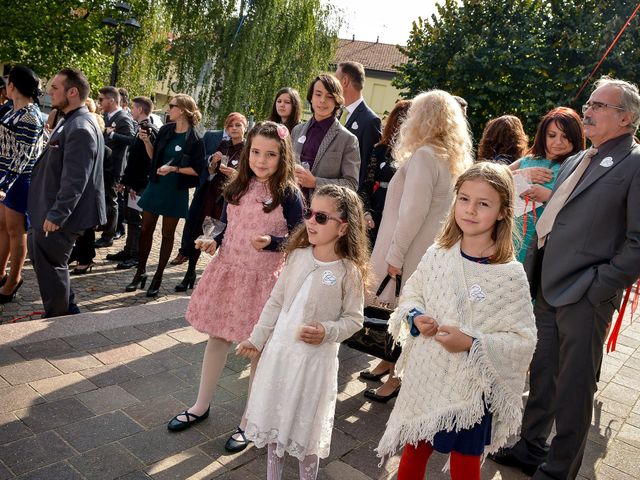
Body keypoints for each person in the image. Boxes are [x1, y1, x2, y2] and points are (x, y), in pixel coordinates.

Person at [490, 77, 640, 479]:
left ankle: (558, 470)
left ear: (625, 118)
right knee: (543, 374)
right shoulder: (578, 159)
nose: (587, 111)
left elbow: (638, 242)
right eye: (588, 103)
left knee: (574, 389)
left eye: (599, 106)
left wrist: (598, 286)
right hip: (547, 286)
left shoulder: (634, 163)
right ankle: (530, 446)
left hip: (585, 294)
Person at [377, 162, 537, 480]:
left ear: (504, 211)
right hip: (428, 377)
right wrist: (416, 317)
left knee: (465, 467)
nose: (470, 210)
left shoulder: (509, 275)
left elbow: (522, 339)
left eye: (483, 203)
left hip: (471, 391)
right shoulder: (438, 255)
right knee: (412, 453)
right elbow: (412, 295)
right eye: (464, 199)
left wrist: (473, 343)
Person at [166, 122, 305, 456]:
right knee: (217, 337)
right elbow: (228, 226)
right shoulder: (238, 185)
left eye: (270, 154)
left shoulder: (288, 194)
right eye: (256, 152)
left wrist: (273, 242)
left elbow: (300, 240)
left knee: (255, 348)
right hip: (229, 273)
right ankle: (201, 405)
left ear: (282, 156)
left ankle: (249, 421)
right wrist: (213, 241)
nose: (261, 159)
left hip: (262, 282)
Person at [237, 184, 369, 480]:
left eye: (322, 218)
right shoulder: (297, 256)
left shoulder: (348, 271)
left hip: (313, 364)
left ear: (343, 227)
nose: (310, 221)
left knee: (305, 429)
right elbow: (276, 301)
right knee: (276, 419)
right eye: (310, 213)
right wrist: (257, 338)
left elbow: (354, 319)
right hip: (281, 354)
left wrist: (327, 330)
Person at [361, 90, 473, 402]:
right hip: (426, 249)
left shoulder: (425, 155)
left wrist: (394, 256)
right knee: (407, 312)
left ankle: (397, 378)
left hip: (409, 251)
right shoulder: (447, 156)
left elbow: (412, 212)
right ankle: (388, 362)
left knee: (405, 311)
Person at [27, 67, 106, 318]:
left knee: (52, 269)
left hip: (60, 216)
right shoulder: (70, 120)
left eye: (54, 88)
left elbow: (76, 179)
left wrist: (58, 214)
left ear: (72, 92)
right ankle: (67, 310)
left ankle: (59, 320)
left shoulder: (81, 126)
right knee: (49, 265)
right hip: (50, 209)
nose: (49, 92)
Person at [125, 94, 206, 297]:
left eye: (172, 106)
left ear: (183, 110)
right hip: (156, 186)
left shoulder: (195, 138)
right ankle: (140, 272)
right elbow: (155, 159)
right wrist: (146, 143)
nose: (168, 109)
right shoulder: (166, 130)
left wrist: (174, 169)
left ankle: (158, 276)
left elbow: (198, 170)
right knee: (145, 230)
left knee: (167, 235)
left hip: (175, 191)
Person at [172, 112, 247, 290]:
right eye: (231, 125)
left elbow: (249, 178)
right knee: (201, 231)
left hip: (233, 199)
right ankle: (190, 273)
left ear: (245, 127)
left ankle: (222, 281)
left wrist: (236, 175)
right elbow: (211, 172)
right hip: (213, 195)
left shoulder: (249, 150)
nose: (234, 129)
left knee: (227, 238)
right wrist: (213, 164)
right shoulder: (223, 145)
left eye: (238, 125)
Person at [510, 107, 585, 262]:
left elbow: (586, 205)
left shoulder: (580, 166)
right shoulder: (528, 160)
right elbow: (489, 178)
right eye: (552, 135)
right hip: (512, 238)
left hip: (548, 246)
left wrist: (550, 196)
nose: (558, 142)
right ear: (542, 135)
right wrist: (521, 174)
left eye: (566, 136)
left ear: (576, 137)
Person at [0, 65, 45, 302]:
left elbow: (23, 155)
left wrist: (4, 185)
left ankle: (13, 281)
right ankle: (1, 274)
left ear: (13, 86)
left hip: (18, 180)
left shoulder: (29, 114)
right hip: (8, 178)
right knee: (3, 228)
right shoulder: (13, 110)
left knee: (17, 232)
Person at [106, 96, 159, 270]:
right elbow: (133, 159)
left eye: (134, 108)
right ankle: (129, 250)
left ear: (140, 110)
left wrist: (135, 185)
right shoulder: (139, 128)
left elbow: (146, 161)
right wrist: (125, 181)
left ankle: (135, 254)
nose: (131, 111)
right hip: (134, 182)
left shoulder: (149, 129)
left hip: (140, 184)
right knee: (131, 218)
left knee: (136, 221)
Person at [291, 74, 360, 198]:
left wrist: (316, 183)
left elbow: (351, 184)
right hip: (291, 205)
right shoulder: (296, 130)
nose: (322, 100)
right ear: (311, 97)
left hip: (322, 212)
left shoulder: (348, 140)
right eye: (318, 94)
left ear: (337, 101)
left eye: (329, 96)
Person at [358, 99, 411, 246]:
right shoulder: (380, 150)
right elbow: (366, 185)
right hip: (377, 212)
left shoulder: (418, 154)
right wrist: (366, 212)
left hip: (402, 214)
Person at [68, 98, 108, 275]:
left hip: (90, 190)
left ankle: (85, 258)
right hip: (85, 189)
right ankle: (79, 254)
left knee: (86, 227)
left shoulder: (89, 126)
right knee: (82, 227)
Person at [95, 86, 135, 248]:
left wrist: (111, 134)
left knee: (112, 201)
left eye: (101, 99)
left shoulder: (123, 118)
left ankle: (108, 236)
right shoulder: (106, 116)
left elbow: (132, 139)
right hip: (103, 165)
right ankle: (104, 225)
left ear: (111, 100)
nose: (100, 103)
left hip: (114, 167)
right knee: (104, 199)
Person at [335, 61, 382, 185]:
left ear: (344, 81)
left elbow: (366, 166)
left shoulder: (370, 120)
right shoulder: (336, 112)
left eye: (335, 79)